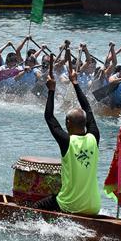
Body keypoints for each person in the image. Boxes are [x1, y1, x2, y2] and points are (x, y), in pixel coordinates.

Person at [35, 55, 101, 215]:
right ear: (85, 123)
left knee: (33, 209)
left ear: (68, 124)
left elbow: (49, 117)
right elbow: (88, 108)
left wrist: (51, 90)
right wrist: (75, 83)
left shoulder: (67, 141)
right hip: (94, 207)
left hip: (70, 205)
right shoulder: (94, 137)